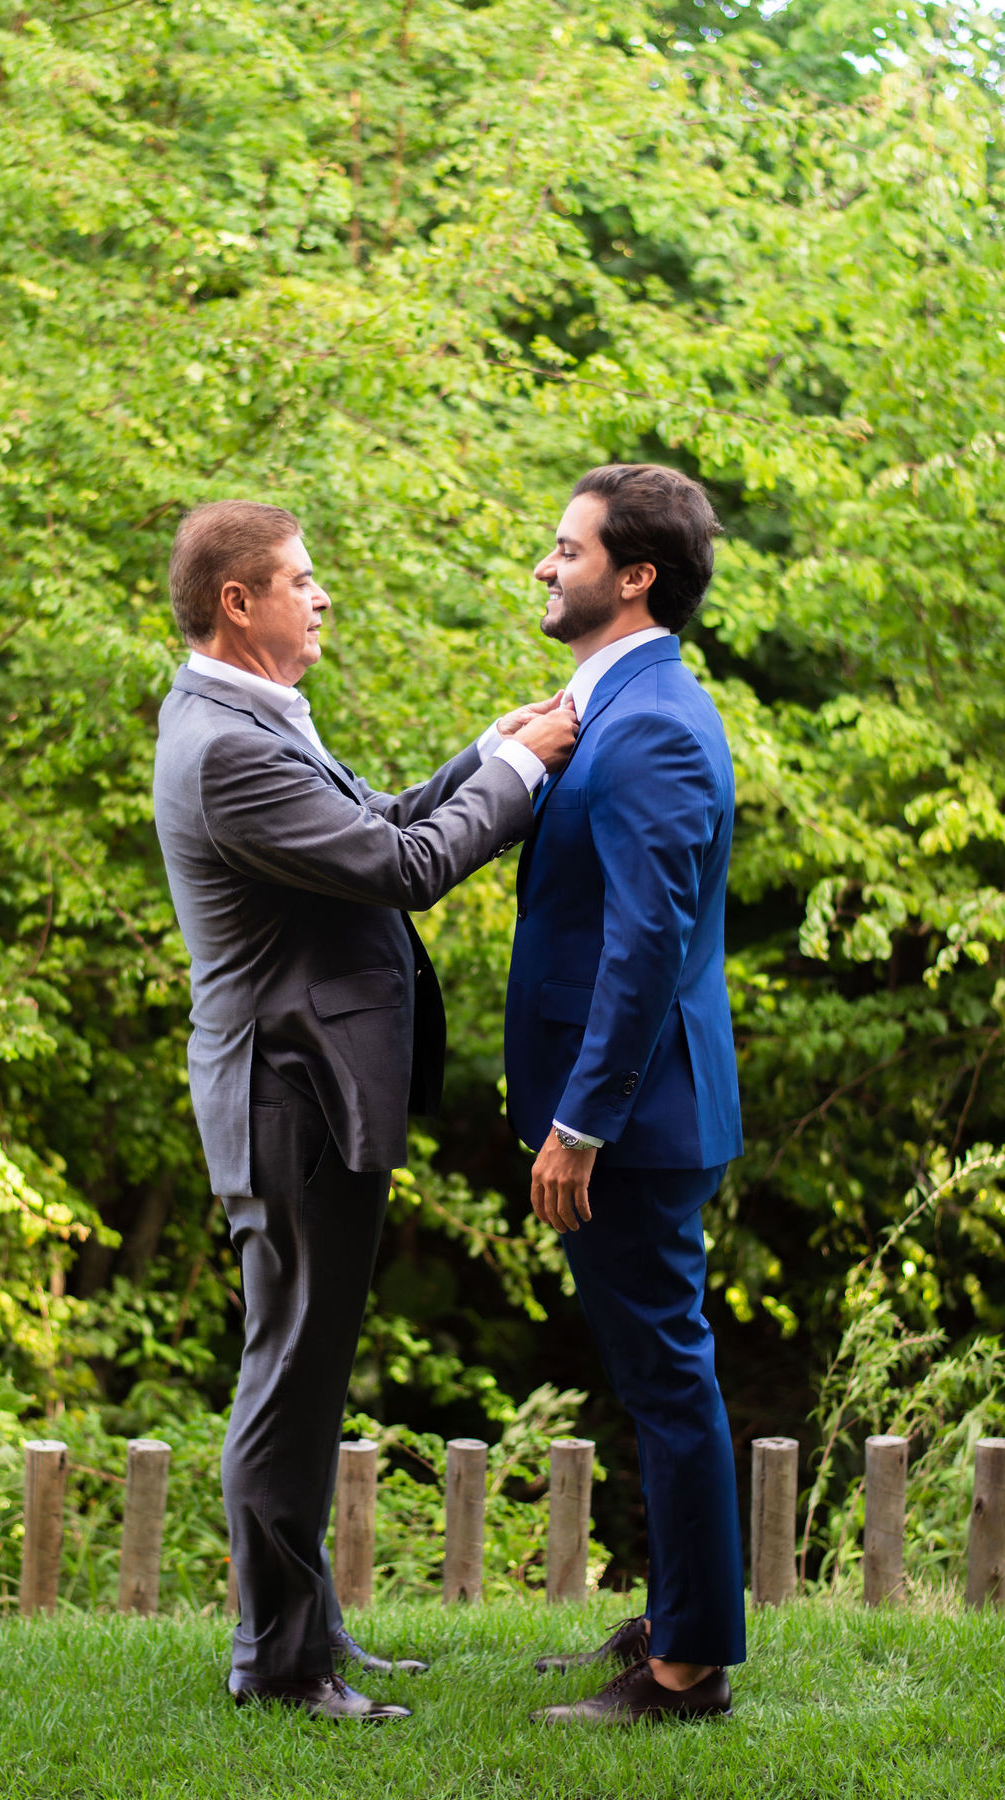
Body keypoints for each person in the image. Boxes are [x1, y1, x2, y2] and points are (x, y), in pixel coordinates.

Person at [152, 499, 576, 1722]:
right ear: (238, 602)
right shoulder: (227, 746)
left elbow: (370, 824)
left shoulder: (242, 716)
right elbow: (404, 868)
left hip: (299, 1088)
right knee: (289, 1374)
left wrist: (483, 752)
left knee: (304, 1362)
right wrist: (518, 773)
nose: (321, 593)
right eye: (301, 577)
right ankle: (283, 1666)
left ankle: (306, 1633)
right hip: (287, 1096)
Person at [504, 464, 745, 1726]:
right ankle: (675, 1619)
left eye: (568, 549)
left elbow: (646, 945)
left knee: (667, 1380)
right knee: (657, 1376)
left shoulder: (649, 722)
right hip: (630, 1112)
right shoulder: (613, 705)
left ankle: (687, 1668)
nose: (546, 566)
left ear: (635, 575)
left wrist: (581, 1123)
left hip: (632, 1121)